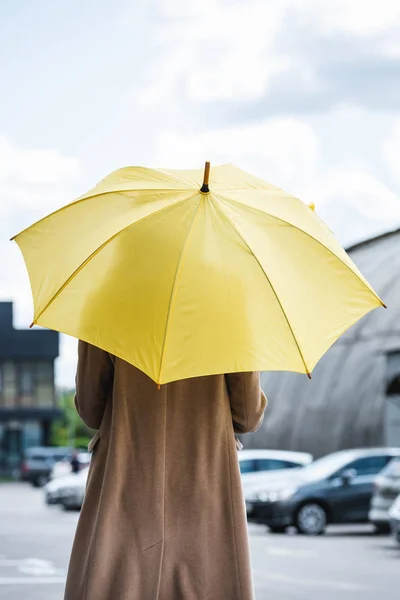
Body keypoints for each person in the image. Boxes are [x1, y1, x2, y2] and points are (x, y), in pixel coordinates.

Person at [64, 341, 267, 600]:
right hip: (203, 479)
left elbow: (91, 410)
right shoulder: (230, 314)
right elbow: (248, 416)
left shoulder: (107, 307)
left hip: (126, 475)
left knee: (113, 581)